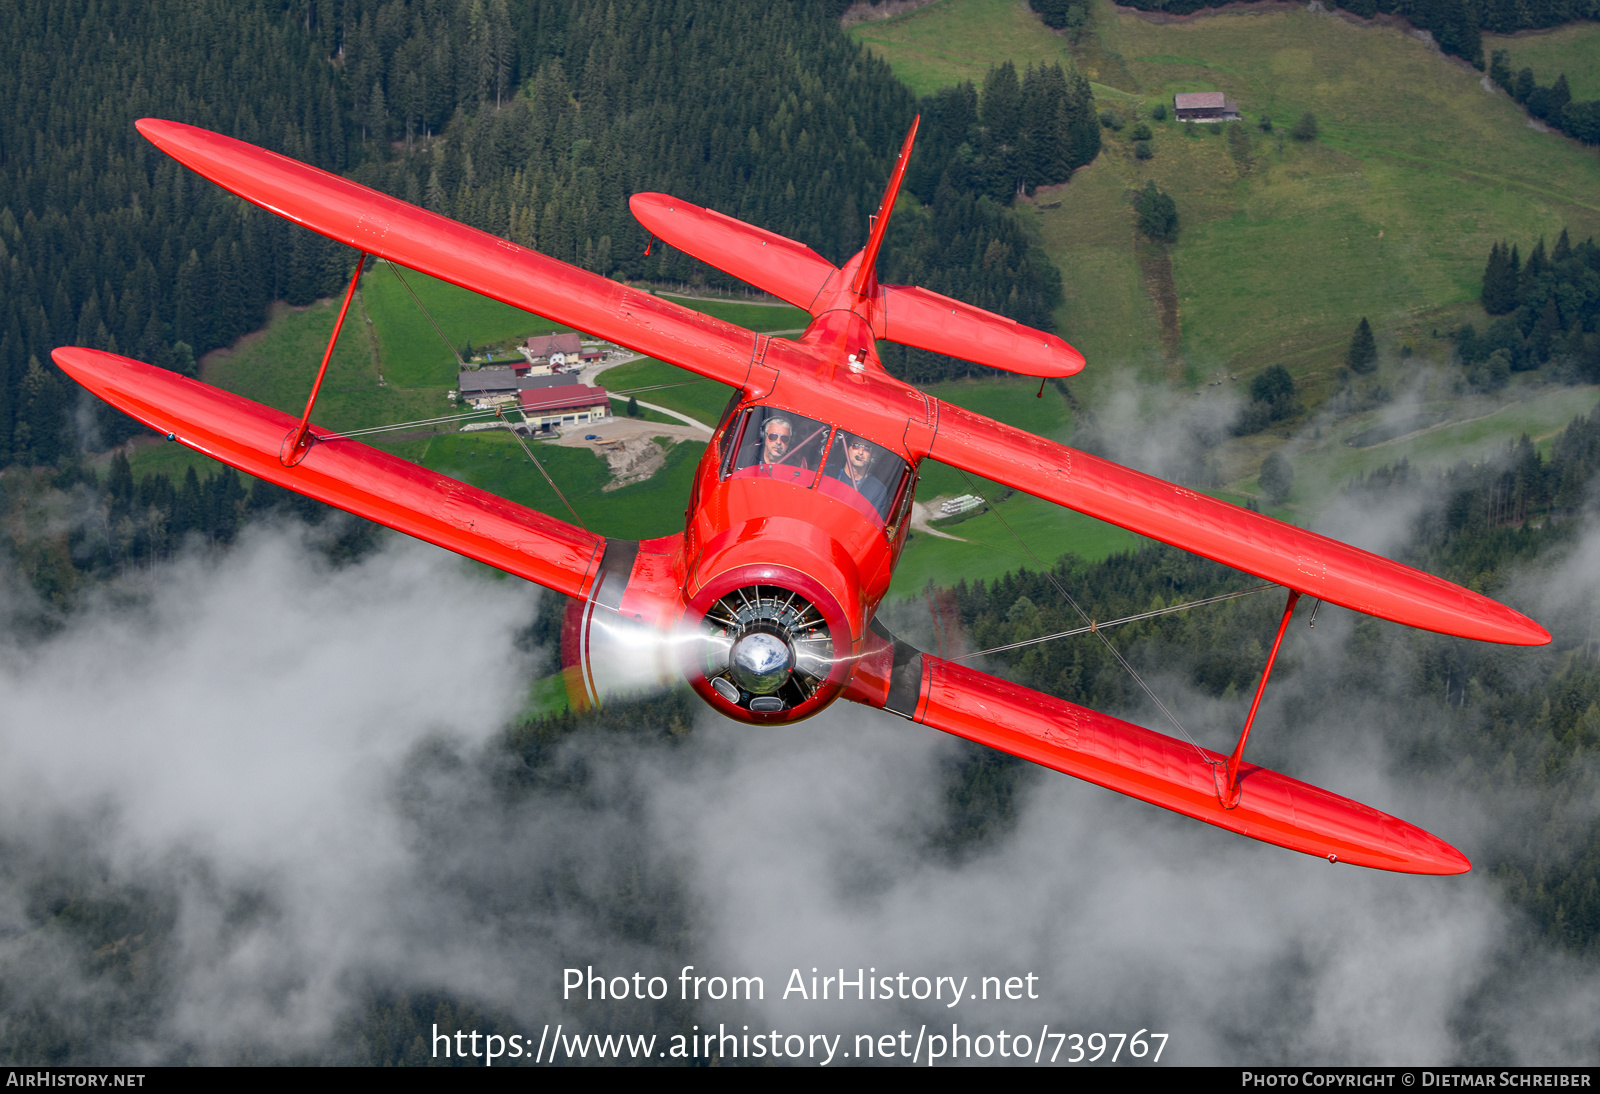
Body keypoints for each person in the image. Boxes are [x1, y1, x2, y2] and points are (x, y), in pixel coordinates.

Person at [830, 434, 890, 517]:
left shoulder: (878, 489)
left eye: (866, 448)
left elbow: (872, 525)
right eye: (856, 446)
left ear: (871, 454)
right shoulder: (827, 472)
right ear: (847, 448)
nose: (860, 452)